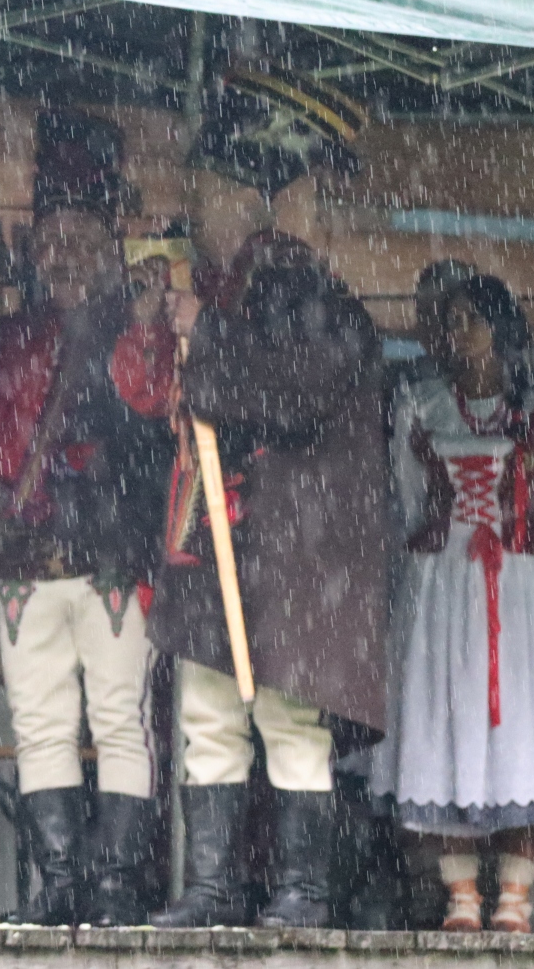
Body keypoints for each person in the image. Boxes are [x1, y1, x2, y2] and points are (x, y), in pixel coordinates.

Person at [0, 119, 173, 927]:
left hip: (113, 558)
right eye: (53, 240)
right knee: (39, 728)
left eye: (80, 239)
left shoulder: (135, 324)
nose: (64, 254)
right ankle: (63, 887)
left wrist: (144, 324)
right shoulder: (11, 335)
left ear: (109, 245)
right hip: (29, 561)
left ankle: (112, 888)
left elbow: (150, 408)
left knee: (119, 724)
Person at [146, 256, 392, 929]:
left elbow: (293, 394)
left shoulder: (331, 320)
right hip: (220, 556)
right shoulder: (241, 321)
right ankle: (212, 888)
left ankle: (302, 892)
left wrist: (212, 331)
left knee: (291, 721)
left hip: (295, 568)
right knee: (208, 720)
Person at [367, 275, 534, 933]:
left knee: (519, 728)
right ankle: (461, 892)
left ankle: (515, 891)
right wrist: (446, 539)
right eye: (452, 322)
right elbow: (407, 499)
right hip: (441, 583)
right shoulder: (421, 403)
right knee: (443, 720)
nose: (459, 334)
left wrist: (518, 541)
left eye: (472, 321)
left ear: (501, 329)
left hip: (516, 585)